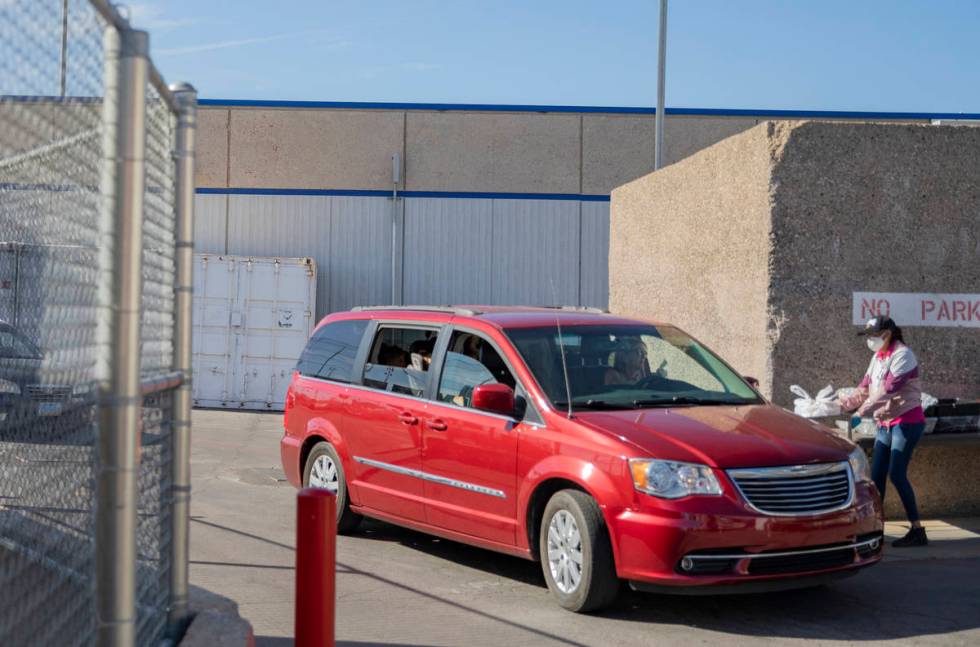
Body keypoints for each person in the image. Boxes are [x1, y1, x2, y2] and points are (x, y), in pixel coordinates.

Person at [838, 316, 927, 547]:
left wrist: (861, 411)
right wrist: (844, 404)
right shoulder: (877, 357)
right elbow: (865, 387)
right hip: (885, 424)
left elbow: (888, 389)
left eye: (874, 335)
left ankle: (917, 530)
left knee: (897, 473)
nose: (870, 340)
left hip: (906, 421)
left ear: (887, 334)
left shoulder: (903, 355)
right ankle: (875, 530)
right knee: (876, 480)